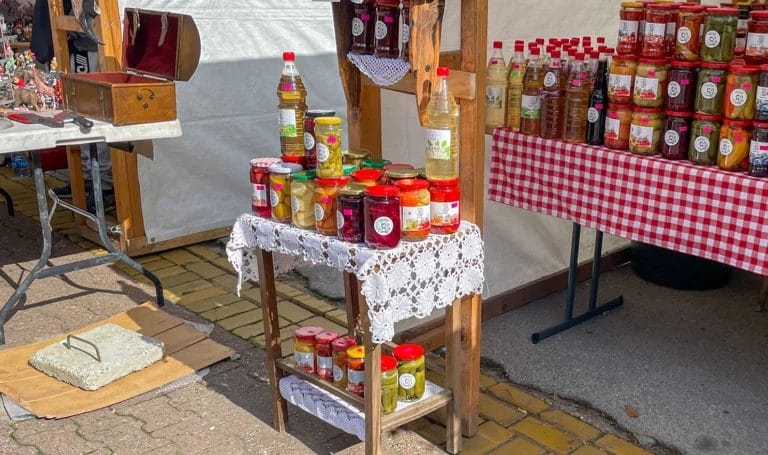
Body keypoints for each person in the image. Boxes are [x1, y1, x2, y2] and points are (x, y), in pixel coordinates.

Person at [30, 0, 113, 212]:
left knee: (97, 113)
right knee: (81, 112)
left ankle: (103, 184)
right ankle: (89, 178)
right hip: (76, 43)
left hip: (96, 43)